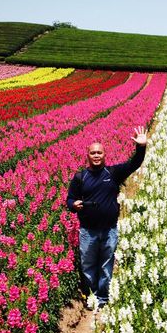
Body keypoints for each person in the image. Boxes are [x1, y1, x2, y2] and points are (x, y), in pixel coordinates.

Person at [66, 126, 147, 309]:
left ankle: (102, 298)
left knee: (105, 265)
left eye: (99, 153)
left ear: (104, 155)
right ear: (87, 155)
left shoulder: (113, 173)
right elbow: (70, 199)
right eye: (93, 153)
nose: (96, 155)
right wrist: (73, 205)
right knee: (88, 266)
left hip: (109, 229)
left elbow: (134, 164)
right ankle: (91, 296)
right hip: (88, 231)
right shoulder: (81, 177)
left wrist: (141, 147)